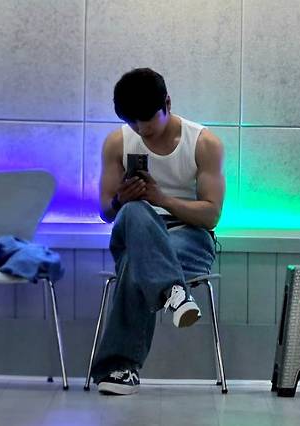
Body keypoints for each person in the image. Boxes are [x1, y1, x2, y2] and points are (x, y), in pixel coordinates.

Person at [91, 68, 225, 395]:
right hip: (134, 230)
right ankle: (173, 292)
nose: (140, 129)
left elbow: (211, 215)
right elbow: (107, 212)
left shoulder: (204, 143)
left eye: (146, 120)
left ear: (167, 103)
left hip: (189, 236)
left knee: (136, 264)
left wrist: (161, 199)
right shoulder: (117, 143)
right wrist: (123, 199)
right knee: (134, 212)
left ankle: (120, 368)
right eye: (132, 122)